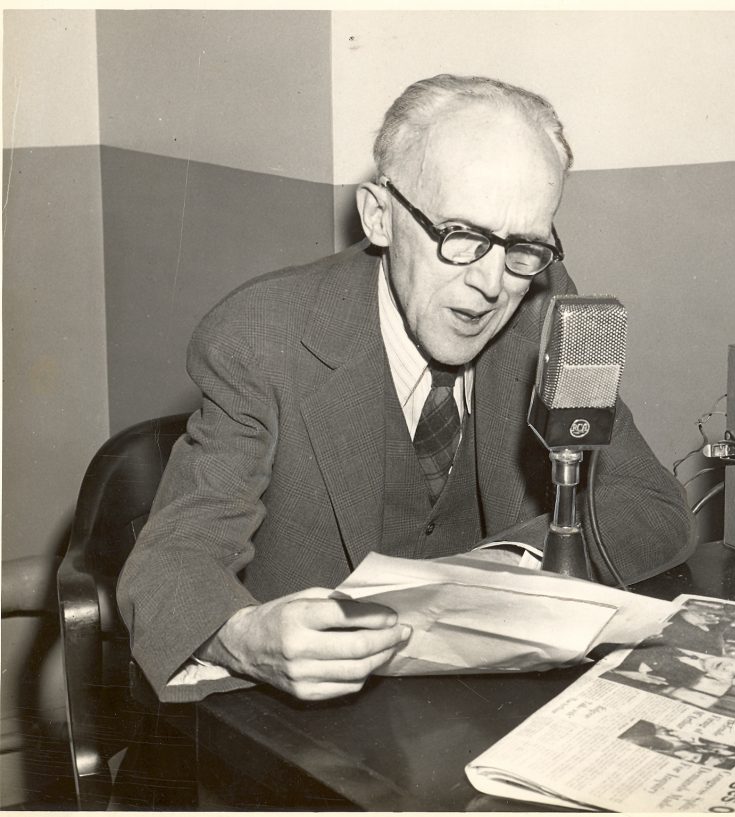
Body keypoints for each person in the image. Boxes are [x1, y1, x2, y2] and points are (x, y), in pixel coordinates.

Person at [117, 74, 695, 704]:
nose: (492, 282)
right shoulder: (262, 336)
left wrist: (506, 567)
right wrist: (243, 636)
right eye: (462, 236)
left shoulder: (547, 307)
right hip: (307, 726)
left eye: (524, 246)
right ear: (380, 218)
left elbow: (650, 505)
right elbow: (174, 556)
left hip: (486, 707)